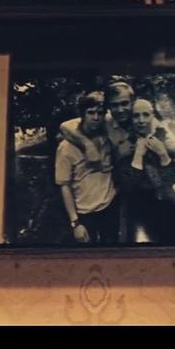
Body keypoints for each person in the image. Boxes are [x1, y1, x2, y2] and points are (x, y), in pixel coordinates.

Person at [55, 92, 119, 244]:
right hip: (84, 212)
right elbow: (64, 186)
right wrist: (75, 223)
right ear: (82, 114)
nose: (96, 117)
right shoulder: (66, 147)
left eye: (100, 113)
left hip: (109, 205)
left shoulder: (107, 135)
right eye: (90, 112)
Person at [118, 99, 175, 244]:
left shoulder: (162, 139)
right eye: (136, 116)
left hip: (166, 206)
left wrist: (163, 155)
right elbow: (129, 187)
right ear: (130, 119)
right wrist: (138, 156)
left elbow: (173, 178)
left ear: (152, 117)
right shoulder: (124, 145)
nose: (141, 120)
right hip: (138, 211)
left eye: (146, 115)